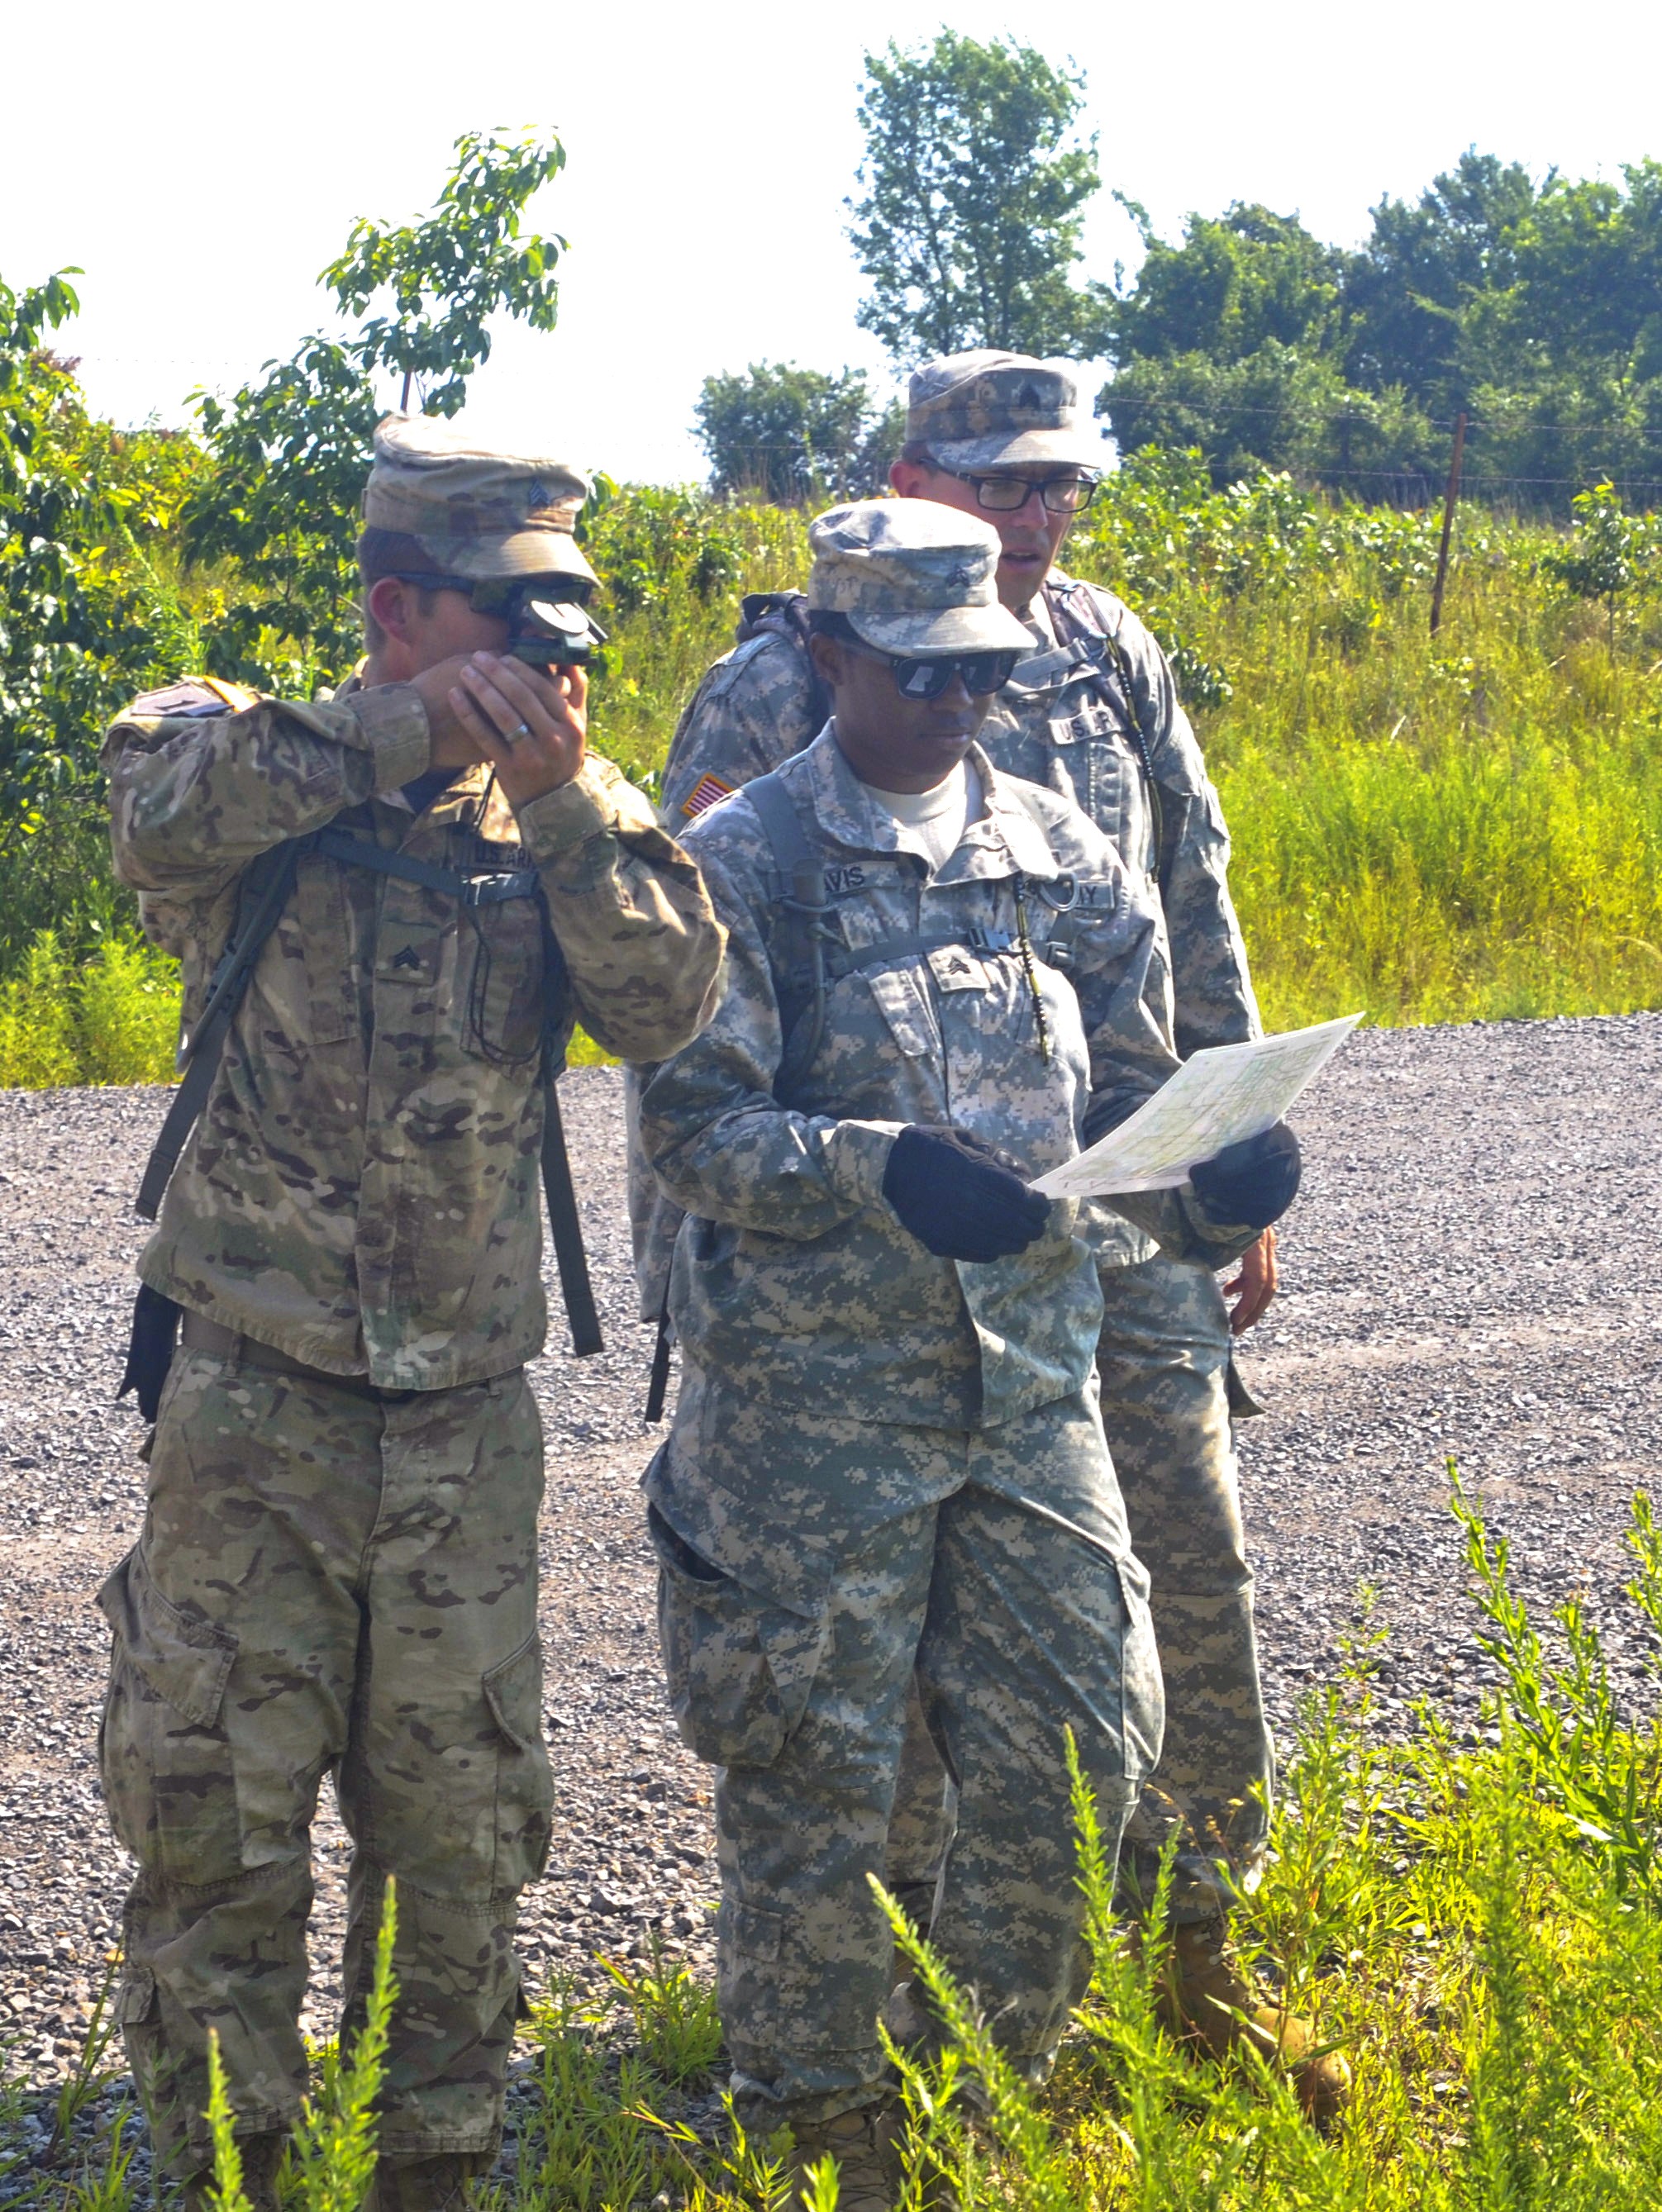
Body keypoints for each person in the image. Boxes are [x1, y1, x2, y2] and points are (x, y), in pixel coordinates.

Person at [637, 350, 1347, 2120]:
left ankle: (1062, 2041)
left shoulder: (1073, 767)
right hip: (828, 1379)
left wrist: (1219, 1165)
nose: (961, 696)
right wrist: (867, 1173)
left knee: (1113, 1699)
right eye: (922, 670)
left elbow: (1164, 975)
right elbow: (686, 1097)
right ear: (836, 654)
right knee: (832, 1762)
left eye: (983, 673)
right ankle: (824, 2116)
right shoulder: (755, 818)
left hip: (1043, 1345)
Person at [97, 416, 726, 2212]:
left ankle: (430, 2181)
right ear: (397, 607)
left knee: (458, 1849)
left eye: (571, 631)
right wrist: (398, 730)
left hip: (461, 1423)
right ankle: (224, 2181)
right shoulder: (239, 749)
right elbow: (159, 816)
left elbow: (673, 999)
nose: (557, 664)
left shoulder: (559, 819)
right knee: (216, 1830)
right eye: (515, 625)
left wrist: (560, 795)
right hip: (255, 1406)